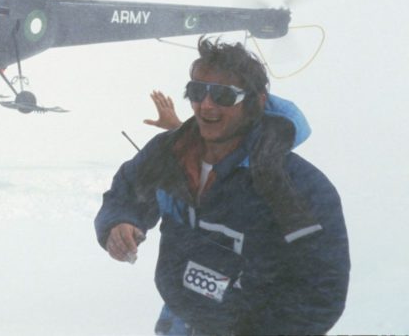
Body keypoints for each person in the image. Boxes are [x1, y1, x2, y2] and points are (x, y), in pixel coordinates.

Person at [95, 37, 350, 335]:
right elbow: (127, 192)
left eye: (223, 95)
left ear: (256, 102)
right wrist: (120, 222)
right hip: (178, 321)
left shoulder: (297, 186)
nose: (206, 104)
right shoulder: (170, 153)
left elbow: (321, 291)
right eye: (197, 91)